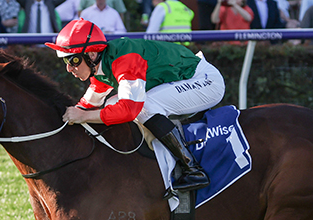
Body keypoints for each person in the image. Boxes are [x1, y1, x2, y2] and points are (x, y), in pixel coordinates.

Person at [45, 20, 226, 192]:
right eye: (65, 61)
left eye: (73, 60)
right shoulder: (103, 64)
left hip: (205, 81)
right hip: (188, 79)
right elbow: (87, 105)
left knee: (144, 105)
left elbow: (129, 110)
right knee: (112, 103)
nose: (69, 68)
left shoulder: (125, 59)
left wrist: (83, 116)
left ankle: (192, 169)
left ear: (91, 54)